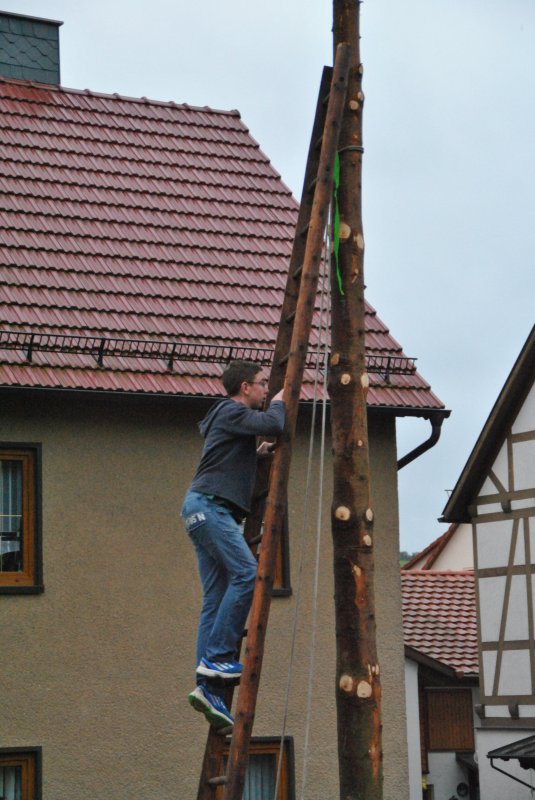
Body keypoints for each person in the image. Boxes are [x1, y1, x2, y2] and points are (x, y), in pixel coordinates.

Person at [181, 360, 285, 729]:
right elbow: (274, 424)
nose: (266, 390)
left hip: (199, 510)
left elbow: (226, 458)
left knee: (215, 597)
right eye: (262, 384)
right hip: (211, 509)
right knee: (246, 574)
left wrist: (254, 456)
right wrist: (282, 401)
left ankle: (206, 688)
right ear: (245, 387)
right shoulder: (231, 410)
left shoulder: (227, 420)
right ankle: (217, 657)